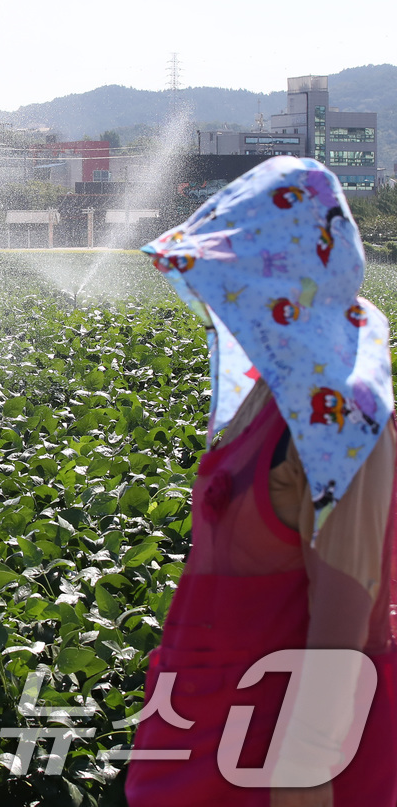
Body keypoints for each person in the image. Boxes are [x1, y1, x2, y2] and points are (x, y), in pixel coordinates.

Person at [127, 156, 397, 806]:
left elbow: (340, 640)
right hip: (205, 730)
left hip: (273, 766)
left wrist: (298, 786)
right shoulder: (270, 397)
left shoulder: (344, 421)